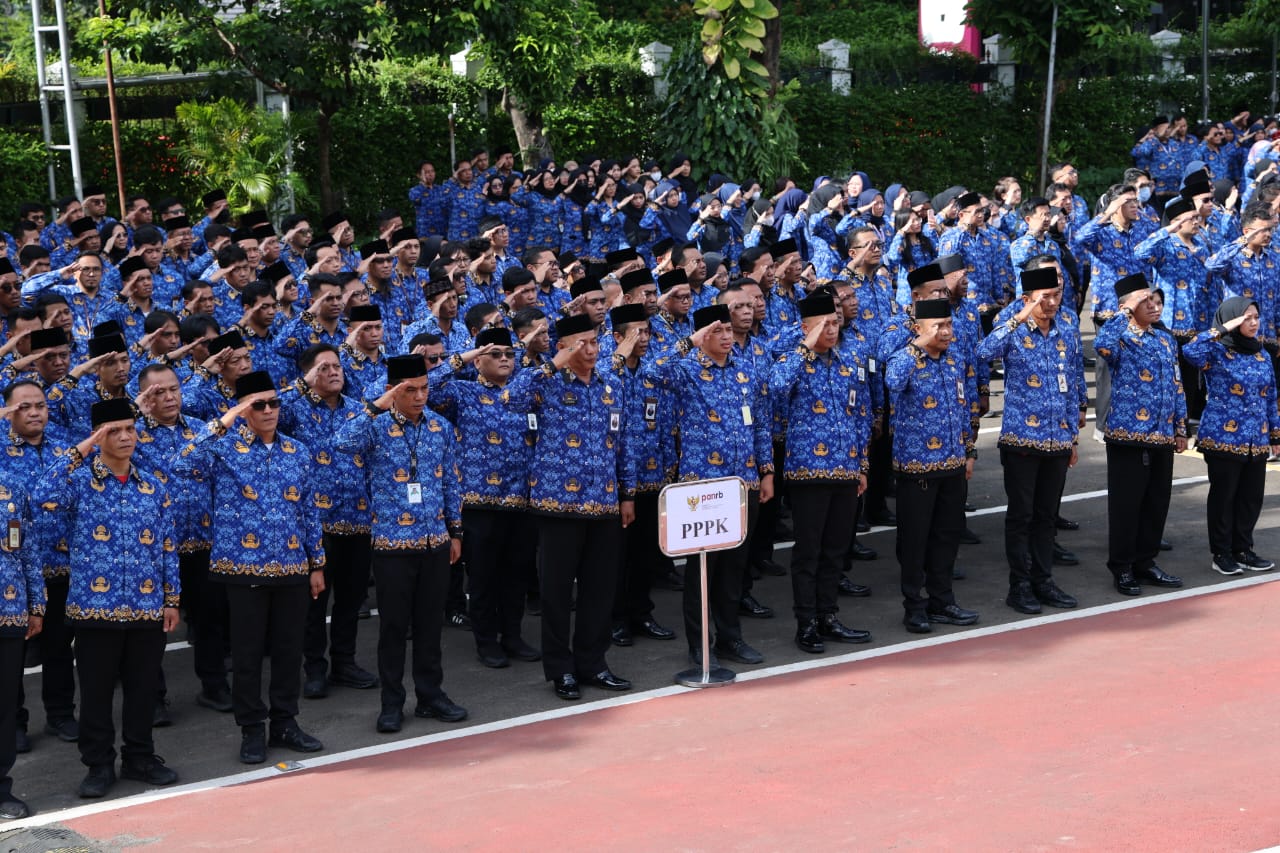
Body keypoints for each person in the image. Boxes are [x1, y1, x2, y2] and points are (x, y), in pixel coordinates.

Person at [172, 370, 327, 764]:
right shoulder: (223, 451)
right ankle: (252, 729)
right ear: (242, 411)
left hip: (292, 567)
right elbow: (180, 462)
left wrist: (316, 564)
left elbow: (309, 511)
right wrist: (224, 422)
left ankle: (286, 722)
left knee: (289, 651)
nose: (270, 410)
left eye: (274, 403)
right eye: (258, 404)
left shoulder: (297, 451)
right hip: (242, 571)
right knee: (246, 655)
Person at [32, 398, 180, 798]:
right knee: (96, 693)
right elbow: (39, 494)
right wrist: (83, 447)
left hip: (147, 606)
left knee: (143, 688)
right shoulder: (79, 482)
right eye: (113, 431)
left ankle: (140, 756)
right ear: (98, 437)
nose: (125, 437)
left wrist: (172, 599)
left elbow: (167, 545)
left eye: (130, 429)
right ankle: (98, 764)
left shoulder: (152, 485)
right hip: (95, 608)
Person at [335, 354, 468, 732]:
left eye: (424, 389)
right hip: (393, 544)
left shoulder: (440, 427)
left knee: (429, 626)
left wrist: (455, 532)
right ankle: (392, 702)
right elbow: (340, 442)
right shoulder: (374, 427)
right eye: (410, 390)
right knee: (394, 628)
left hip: (434, 542)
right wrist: (376, 404)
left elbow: (450, 483)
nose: (420, 397)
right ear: (393, 391)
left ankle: (431, 695)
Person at [646, 305, 772, 667]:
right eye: (718, 331)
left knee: (734, 568)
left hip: (742, 482)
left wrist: (766, 471)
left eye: (729, 330)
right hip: (701, 487)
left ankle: (730, 637)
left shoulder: (744, 373)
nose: (728, 337)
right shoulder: (685, 371)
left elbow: (760, 424)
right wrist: (689, 342)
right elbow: (653, 371)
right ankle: (699, 645)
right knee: (702, 570)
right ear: (703, 336)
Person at [526, 314, 636, 699]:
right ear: (562, 347)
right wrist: (552, 363)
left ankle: (593, 663)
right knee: (556, 593)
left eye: (595, 342)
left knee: (600, 589)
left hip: (604, 501)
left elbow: (622, 443)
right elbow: (509, 396)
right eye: (581, 343)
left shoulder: (610, 385)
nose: (591, 350)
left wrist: (627, 494)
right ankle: (561, 670)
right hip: (558, 504)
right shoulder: (545, 383)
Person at [768, 293, 872, 653]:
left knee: (835, 551)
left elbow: (859, 415)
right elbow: (776, 387)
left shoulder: (847, 362)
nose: (833, 329)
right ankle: (806, 622)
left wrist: (862, 466)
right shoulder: (794, 362)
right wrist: (805, 347)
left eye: (836, 322)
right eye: (824, 323)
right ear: (806, 328)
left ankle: (828, 615)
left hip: (845, 470)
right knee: (808, 552)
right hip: (807, 472)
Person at [976, 267, 1083, 614]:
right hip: (1022, 441)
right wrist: (1018, 317)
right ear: (1028, 299)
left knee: (1046, 517)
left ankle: (1043, 580)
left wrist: (1071, 438)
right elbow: (983, 352)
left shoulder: (1065, 332)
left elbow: (1070, 386)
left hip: (1057, 442)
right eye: (1044, 297)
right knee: (1021, 517)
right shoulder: (1015, 332)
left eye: (1056, 295)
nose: (1052, 303)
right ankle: (1019, 586)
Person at [280, 345, 378, 698]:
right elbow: (266, 409)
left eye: (337, 366)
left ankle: (345, 662)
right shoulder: (293, 408)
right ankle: (315, 668)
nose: (335, 372)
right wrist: (302, 385)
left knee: (351, 600)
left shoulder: (358, 412)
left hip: (357, 519)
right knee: (315, 602)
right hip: (315, 525)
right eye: (325, 368)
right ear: (308, 375)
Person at [884, 298, 979, 633]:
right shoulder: (904, 359)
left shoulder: (955, 358)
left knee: (946, 537)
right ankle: (915, 605)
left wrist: (969, 451)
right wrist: (917, 347)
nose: (946, 332)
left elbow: (967, 405)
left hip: (952, 464)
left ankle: (943, 600)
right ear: (918, 329)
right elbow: (891, 382)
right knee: (914, 541)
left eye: (949, 325)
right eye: (937, 326)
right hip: (917, 468)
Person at [1094, 274, 1187, 596]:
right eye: (1144, 300)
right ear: (1127, 306)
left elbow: (1176, 384)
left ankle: (1146, 562)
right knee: (1126, 505)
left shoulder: (1164, 339)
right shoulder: (1119, 338)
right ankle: (1122, 567)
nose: (1153, 305)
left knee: (1156, 502)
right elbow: (1101, 346)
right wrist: (1124, 312)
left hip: (1161, 433)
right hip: (1127, 435)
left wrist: (1180, 427)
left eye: (1154, 300)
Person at [1183, 297, 1279, 575]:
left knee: (1251, 498)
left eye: (1255, 317)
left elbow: (1270, 396)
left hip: (1256, 439)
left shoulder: (1262, 354)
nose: (1252, 323)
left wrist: (1275, 434)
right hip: (1223, 437)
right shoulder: (1216, 352)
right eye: (1246, 318)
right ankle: (1222, 552)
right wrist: (1223, 329)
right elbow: (1190, 350)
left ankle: (1243, 549)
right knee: (1224, 498)